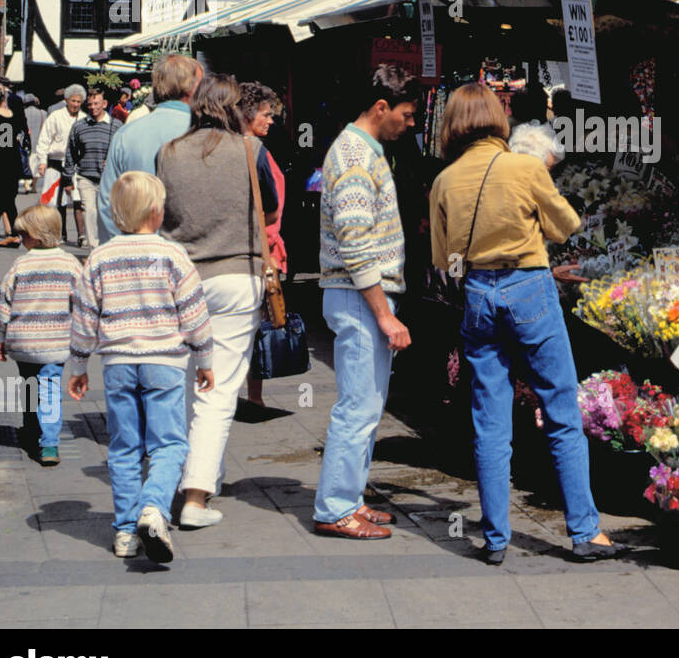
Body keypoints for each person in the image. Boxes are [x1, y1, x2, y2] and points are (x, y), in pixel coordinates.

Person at [429, 83, 621, 565]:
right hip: (530, 288)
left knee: (489, 420)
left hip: (477, 294)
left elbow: (442, 259)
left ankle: (495, 540)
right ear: (499, 117)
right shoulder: (524, 167)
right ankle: (584, 531)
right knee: (560, 407)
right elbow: (567, 226)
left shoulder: (444, 181)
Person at [66, 171, 214, 563]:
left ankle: (125, 532)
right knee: (169, 443)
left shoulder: (99, 257)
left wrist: (78, 364)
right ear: (156, 211)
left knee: (123, 447)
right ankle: (154, 507)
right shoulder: (172, 255)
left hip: (117, 363)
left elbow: (83, 316)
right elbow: (194, 312)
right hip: (163, 360)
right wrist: (204, 359)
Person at [156, 74, 278, 529]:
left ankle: (191, 474)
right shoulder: (251, 151)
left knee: (188, 384)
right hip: (235, 277)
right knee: (219, 390)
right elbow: (269, 208)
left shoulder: (167, 153)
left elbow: (159, 211)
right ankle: (197, 497)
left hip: (181, 280)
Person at [312, 65, 419, 540]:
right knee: (358, 406)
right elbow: (355, 242)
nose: (410, 123)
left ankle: (349, 498)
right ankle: (335, 506)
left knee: (367, 404)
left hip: (356, 293)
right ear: (381, 108)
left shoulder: (357, 151)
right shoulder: (356, 156)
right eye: (407, 114)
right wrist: (383, 314)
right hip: (359, 296)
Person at [0, 203, 83, 466]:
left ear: (37, 234)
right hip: (55, 342)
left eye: (23, 235)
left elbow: (3, 304)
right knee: (50, 388)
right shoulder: (69, 263)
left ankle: (31, 430)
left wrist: (0, 337)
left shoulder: (20, 265)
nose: (20, 240)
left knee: (29, 385)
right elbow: (83, 298)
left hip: (23, 341)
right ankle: (50, 443)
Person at [96, 55, 203, 244]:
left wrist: (122, 250)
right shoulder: (206, 133)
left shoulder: (126, 134)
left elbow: (108, 202)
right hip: (192, 256)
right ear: (190, 88)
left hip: (137, 250)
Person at [238, 81, 286, 414]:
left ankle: (250, 394)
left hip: (251, 248)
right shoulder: (255, 152)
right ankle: (254, 395)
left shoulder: (230, 148)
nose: (270, 121)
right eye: (266, 115)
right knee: (257, 327)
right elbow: (271, 209)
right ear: (249, 112)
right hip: (259, 248)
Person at [64, 88, 119, 249]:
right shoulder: (79, 126)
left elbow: (122, 150)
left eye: (96, 103)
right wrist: (67, 177)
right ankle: (93, 246)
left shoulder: (116, 126)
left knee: (106, 212)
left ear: (104, 104)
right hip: (85, 176)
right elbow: (71, 152)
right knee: (89, 210)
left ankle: (107, 244)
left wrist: (111, 161)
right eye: (90, 104)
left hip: (108, 178)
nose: (93, 107)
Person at [32, 83, 86, 245]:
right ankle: (57, 234)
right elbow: (44, 140)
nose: (75, 104)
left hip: (75, 164)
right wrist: (42, 162)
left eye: (78, 101)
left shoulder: (83, 119)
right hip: (55, 162)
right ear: (66, 100)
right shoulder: (55, 116)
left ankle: (81, 235)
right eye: (73, 101)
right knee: (53, 200)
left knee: (77, 198)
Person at [0, 83, 29, 247]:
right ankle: (14, 234)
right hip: (12, 160)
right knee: (9, 200)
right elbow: (21, 132)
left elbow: (1, 141)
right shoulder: (13, 114)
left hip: (0, 160)